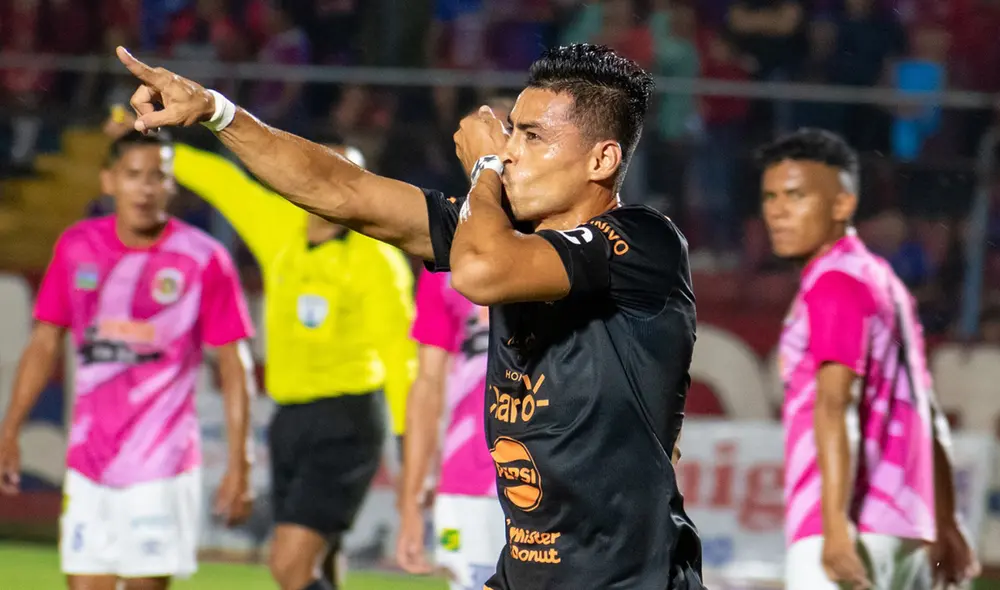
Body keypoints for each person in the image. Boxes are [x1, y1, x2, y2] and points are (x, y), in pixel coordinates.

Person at [115, 41, 703, 589]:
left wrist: (485, 170)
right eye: (509, 134)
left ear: (601, 159)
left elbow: (481, 274)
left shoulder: (641, 243)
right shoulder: (493, 229)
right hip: (527, 573)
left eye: (531, 137)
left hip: (628, 578)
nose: (512, 151)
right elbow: (342, 190)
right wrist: (219, 112)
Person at [102, 108, 416, 590]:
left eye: (351, 176)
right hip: (289, 417)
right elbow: (223, 181)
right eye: (328, 173)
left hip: (348, 419)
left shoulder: (377, 259)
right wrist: (156, 146)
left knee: (288, 565)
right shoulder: (279, 226)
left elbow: (400, 354)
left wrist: (405, 440)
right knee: (318, 561)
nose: (340, 187)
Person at [0, 131, 256, 590]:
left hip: (163, 464)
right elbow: (43, 343)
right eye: (133, 176)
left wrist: (242, 461)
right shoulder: (77, 246)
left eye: (158, 177)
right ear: (108, 181)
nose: (145, 188)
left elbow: (235, 365)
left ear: (172, 186)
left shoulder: (203, 258)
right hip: (87, 462)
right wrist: (9, 430)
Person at [757, 128, 980, 590]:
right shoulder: (883, 281)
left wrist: (835, 528)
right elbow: (925, 410)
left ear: (841, 204)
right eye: (771, 196)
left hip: (851, 524)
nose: (777, 210)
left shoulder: (833, 283)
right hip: (907, 528)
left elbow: (835, 402)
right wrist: (945, 520)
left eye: (796, 195)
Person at [394, 98, 513, 590]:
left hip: (555, 487)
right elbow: (427, 387)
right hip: (467, 480)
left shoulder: (574, 246)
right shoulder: (450, 265)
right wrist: (409, 501)